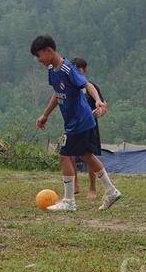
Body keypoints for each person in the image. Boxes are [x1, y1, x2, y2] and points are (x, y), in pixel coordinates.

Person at [31, 35, 121, 212]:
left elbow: (87, 85)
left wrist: (97, 101)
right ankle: (111, 191)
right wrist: (45, 115)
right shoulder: (52, 70)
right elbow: (57, 94)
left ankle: (69, 201)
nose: (38, 60)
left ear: (49, 51)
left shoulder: (67, 69)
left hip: (79, 121)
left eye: (39, 55)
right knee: (87, 155)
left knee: (65, 155)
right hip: (79, 121)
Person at [70, 57, 105, 199]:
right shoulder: (70, 87)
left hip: (90, 127)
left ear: (84, 71)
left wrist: (99, 112)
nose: (77, 73)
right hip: (74, 125)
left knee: (90, 156)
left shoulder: (92, 87)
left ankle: (92, 187)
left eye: (79, 70)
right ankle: (75, 185)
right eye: (74, 70)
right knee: (69, 156)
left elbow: (103, 106)